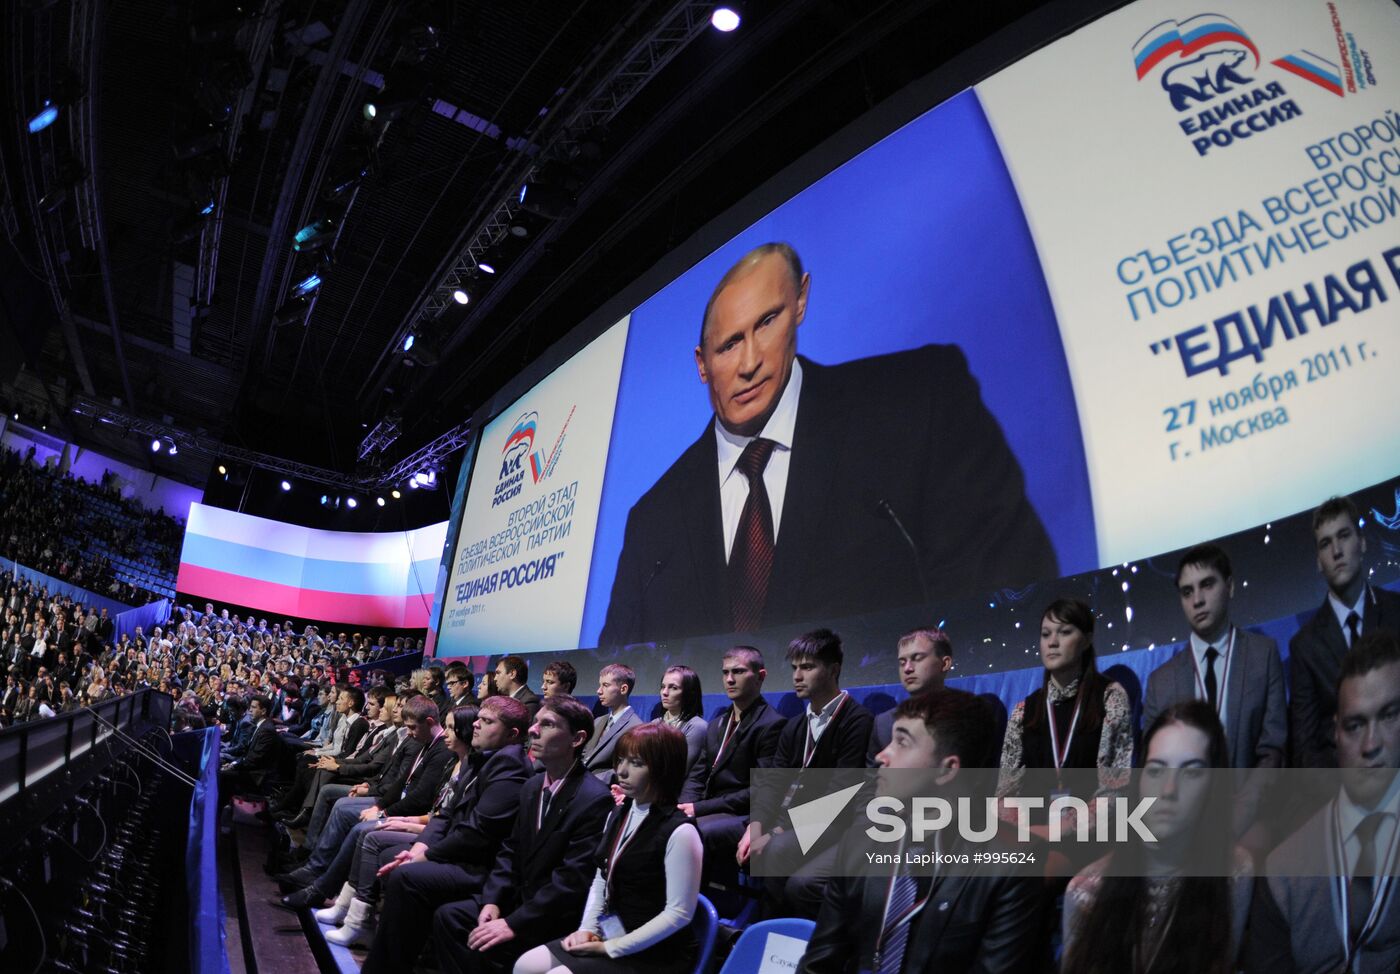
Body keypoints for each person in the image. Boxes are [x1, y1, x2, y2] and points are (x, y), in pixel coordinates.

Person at [598, 241, 1056, 647]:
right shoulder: (652, 520)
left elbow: (1015, 598)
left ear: (800, 302)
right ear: (701, 363)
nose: (751, 362)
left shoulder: (918, 403)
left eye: (768, 322)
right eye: (729, 345)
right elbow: (618, 666)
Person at [799, 687, 1046, 973]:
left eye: (902, 742)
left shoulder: (1012, 862)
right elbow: (819, 963)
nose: (881, 755)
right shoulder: (859, 844)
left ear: (947, 770)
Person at [1245, 630, 1400, 972]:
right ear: (1335, 732)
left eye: (1389, 715)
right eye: (1355, 725)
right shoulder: (1282, 873)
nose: (1371, 743)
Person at [1062, 700, 1253, 974]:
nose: (1168, 789)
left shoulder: (1235, 873)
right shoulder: (1085, 892)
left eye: (1191, 772)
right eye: (1155, 770)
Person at [434, 695, 614, 974]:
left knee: (490, 942)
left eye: (548, 724)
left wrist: (512, 922)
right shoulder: (531, 786)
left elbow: (571, 882)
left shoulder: (594, 799)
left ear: (576, 739)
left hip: (551, 915)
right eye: (536, 721)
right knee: (451, 916)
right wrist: (493, 899)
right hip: (518, 900)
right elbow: (510, 850)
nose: (533, 729)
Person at [351, 697, 533, 966]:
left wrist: (427, 855)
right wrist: (419, 848)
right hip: (460, 853)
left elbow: (477, 833)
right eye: (478, 718)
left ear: (512, 734)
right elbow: (445, 814)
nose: (476, 725)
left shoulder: (511, 767)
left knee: (406, 876)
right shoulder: (479, 757)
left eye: (487, 721)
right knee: (395, 856)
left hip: (480, 866)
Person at [514, 723, 702, 974]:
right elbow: (602, 877)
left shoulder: (681, 832)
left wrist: (611, 947)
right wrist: (587, 929)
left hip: (656, 953)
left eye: (636, 763)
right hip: (613, 931)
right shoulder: (619, 812)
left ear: (663, 769)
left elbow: (679, 914)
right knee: (525, 965)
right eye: (621, 760)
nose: (621, 771)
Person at [1141, 545, 1286, 843]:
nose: (1197, 600)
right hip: (1182, 821)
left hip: (1250, 817)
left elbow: (1273, 750)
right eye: (1187, 592)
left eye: (1207, 584)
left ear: (1229, 586)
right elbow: (1151, 770)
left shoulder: (1263, 655)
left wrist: (1239, 815)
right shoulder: (1161, 681)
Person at [742, 629, 873, 920]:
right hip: (790, 822)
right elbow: (773, 782)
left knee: (775, 849)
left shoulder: (857, 720)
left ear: (833, 670)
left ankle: (771, 934)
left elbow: (839, 794)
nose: (797, 676)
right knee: (740, 838)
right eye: (794, 668)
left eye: (808, 667)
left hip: (832, 822)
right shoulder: (795, 725)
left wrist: (775, 831)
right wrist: (756, 826)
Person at [996, 598, 1133, 862]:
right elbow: (1005, 793)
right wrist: (1020, 835)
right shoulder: (1024, 710)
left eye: (1065, 632)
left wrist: (1057, 830)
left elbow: (1114, 790)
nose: (1053, 642)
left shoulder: (1110, 698)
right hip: (1031, 841)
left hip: (1089, 839)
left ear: (1087, 639)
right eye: (1046, 634)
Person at [1290, 495, 1400, 770]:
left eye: (1344, 536)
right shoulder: (1304, 647)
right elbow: (1305, 748)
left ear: (1362, 543)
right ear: (1318, 561)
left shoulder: (1398, 612)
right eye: (1325, 544)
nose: (1336, 550)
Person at [678, 646, 784, 899]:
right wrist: (683, 804)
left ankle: (688, 910)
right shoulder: (718, 723)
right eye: (725, 672)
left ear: (760, 676)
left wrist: (699, 809)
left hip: (740, 813)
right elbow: (698, 774)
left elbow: (760, 790)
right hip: (711, 808)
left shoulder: (772, 724)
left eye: (738, 672)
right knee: (668, 821)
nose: (729, 679)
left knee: (692, 831)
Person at [867, 626, 954, 764]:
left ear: (945, 663)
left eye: (917, 658)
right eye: (902, 662)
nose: (907, 668)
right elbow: (871, 781)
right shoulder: (883, 724)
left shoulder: (972, 714)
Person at [583, 664, 642, 781]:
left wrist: (589, 781)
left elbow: (626, 768)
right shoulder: (598, 721)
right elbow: (584, 755)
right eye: (600, 685)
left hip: (604, 790)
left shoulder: (636, 727)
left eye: (605, 685)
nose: (599, 691)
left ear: (623, 689)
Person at [651, 665, 707, 775]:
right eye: (663, 687)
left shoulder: (697, 726)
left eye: (673, 688)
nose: (664, 692)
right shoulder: (655, 723)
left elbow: (680, 769)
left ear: (689, 693)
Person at [495, 655, 541, 721]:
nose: (495, 678)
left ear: (512, 674)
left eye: (498, 673)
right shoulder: (504, 699)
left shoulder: (529, 702)